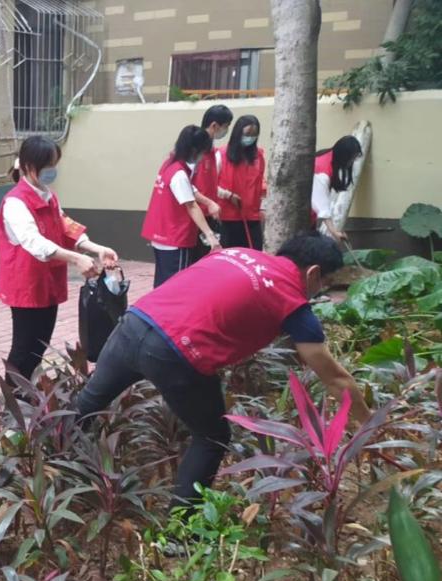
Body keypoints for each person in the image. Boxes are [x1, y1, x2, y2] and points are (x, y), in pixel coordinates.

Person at [75, 234, 371, 508]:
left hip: (133, 324)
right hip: (174, 353)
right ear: (313, 273)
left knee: (85, 406)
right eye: (325, 283)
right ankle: (181, 530)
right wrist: (370, 427)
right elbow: (335, 379)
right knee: (211, 437)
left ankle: (59, 473)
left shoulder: (234, 252)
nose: (321, 291)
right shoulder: (291, 300)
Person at [0, 135, 118, 383]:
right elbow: (34, 243)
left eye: (54, 164)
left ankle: (27, 396)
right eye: (48, 165)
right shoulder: (15, 202)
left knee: (38, 346)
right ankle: (11, 401)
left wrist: (96, 249)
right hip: (26, 285)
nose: (52, 170)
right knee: (23, 348)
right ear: (29, 166)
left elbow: (65, 227)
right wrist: (76, 259)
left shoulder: (49, 196)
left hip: (47, 283)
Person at [142, 125, 221, 287]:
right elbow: (191, 206)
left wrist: (209, 202)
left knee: (162, 284)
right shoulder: (179, 173)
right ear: (195, 150)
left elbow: (189, 190)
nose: (202, 157)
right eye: (202, 152)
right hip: (175, 238)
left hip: (161, 236)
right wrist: (210, 236)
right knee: (176, 285)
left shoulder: (169, 164)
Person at [218, 115, 266, 250]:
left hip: (252, 217)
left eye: (254, 135)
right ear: (238, 133)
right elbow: (210, 185)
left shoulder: (258, 156)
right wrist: (228, 195)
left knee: (253, 254)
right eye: (247, 134)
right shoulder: (221, 154)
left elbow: (261, 183)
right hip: (227, 217)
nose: (250, 138)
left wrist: (263, 208)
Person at [312, 135, 363, 241]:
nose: (351, 162)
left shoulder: (328, 155)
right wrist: (334, 231)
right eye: (351, 159)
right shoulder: (322, 171)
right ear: (344, 156)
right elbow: (322, 205)